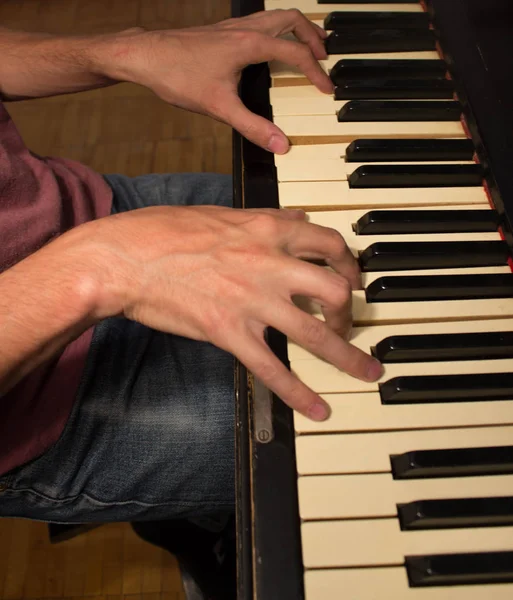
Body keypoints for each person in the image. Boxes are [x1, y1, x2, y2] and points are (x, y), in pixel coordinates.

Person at [0, 8, 383, 598]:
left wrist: (116, 51)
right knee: (390, 409)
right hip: (49, 404)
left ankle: (195, 520)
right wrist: (101, 266)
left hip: (95, 211)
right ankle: (205, 533)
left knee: (382, 257)